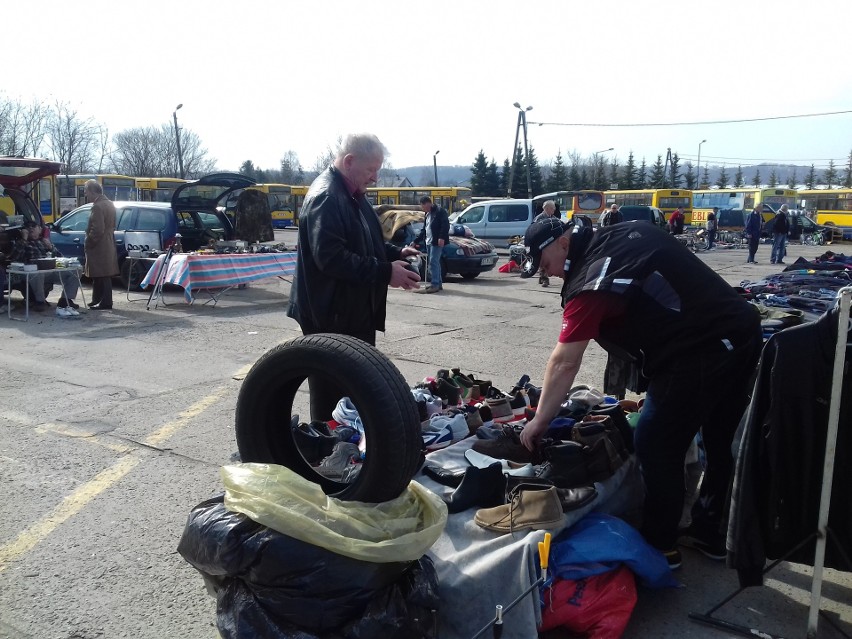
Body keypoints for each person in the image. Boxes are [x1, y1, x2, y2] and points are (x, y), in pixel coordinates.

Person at [517, 216, 761, 568]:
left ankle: (661, 545)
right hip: (739, 329)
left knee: (656, 441)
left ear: (564, 244)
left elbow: (565, 362)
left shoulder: (592, 280)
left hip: (700, 348)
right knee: (719, 439)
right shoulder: (620, 234)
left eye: (545, 263)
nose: (548, 273)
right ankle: (711, 531)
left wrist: (541, 419)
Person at [287, 133, 420, 420]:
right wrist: (386, 272)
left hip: (348, 312)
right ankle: (326, 450)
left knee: (353, 387)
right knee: (332, 392)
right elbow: (332, 258)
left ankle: (345, 445)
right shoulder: (328, 197)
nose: (375, 178)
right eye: (371, 170)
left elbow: (365, 241)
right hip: (330, 315)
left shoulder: (352, 195)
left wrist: (397, 253)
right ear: (349, 162)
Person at [8, 222, 81, 316]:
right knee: (37, 273)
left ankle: (65, 300)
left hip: (48, 270)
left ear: (40, 229)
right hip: (29, 272)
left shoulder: (43, 241)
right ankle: (40, 301)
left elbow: (60, 258)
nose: (31, 229)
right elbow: (15, 257)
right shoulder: (21, 242)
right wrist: (24, 239)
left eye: (34, 227)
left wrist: (51, 248)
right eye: (28, 227)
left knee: (74, 271)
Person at [84, 180, 119, 310]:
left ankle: (105, 302)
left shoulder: (97, 206)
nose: (86, 195)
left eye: (87, 192)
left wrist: (89, 242)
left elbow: (97, 229)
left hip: (100, 243)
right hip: (108, 241)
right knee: (101, 273)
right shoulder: (109, 203)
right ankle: (97, 299)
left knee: (102, 273)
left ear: (93, 192)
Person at [419, 195, 450, 294]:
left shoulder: (440, 212)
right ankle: (438, 283)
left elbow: (445, 225)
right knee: (435, 262)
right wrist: (415, 241)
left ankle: (435, 284)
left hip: (436, 241)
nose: (423, 209)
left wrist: (441, 237)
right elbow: (424, 229)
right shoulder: (427, 214)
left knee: (433, 261)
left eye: (423, 206)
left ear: (428, 203)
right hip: (429, 241)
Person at [534, 200, 558, 286]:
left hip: (550, 243)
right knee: (544, 261)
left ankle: (542, 277)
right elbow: (535, 230)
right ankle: (545, 279)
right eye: (552, 208)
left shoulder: (553, 217)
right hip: (542, 243)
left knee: (546, 261)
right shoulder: (539, 218)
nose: (554, 209)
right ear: (547, 208)